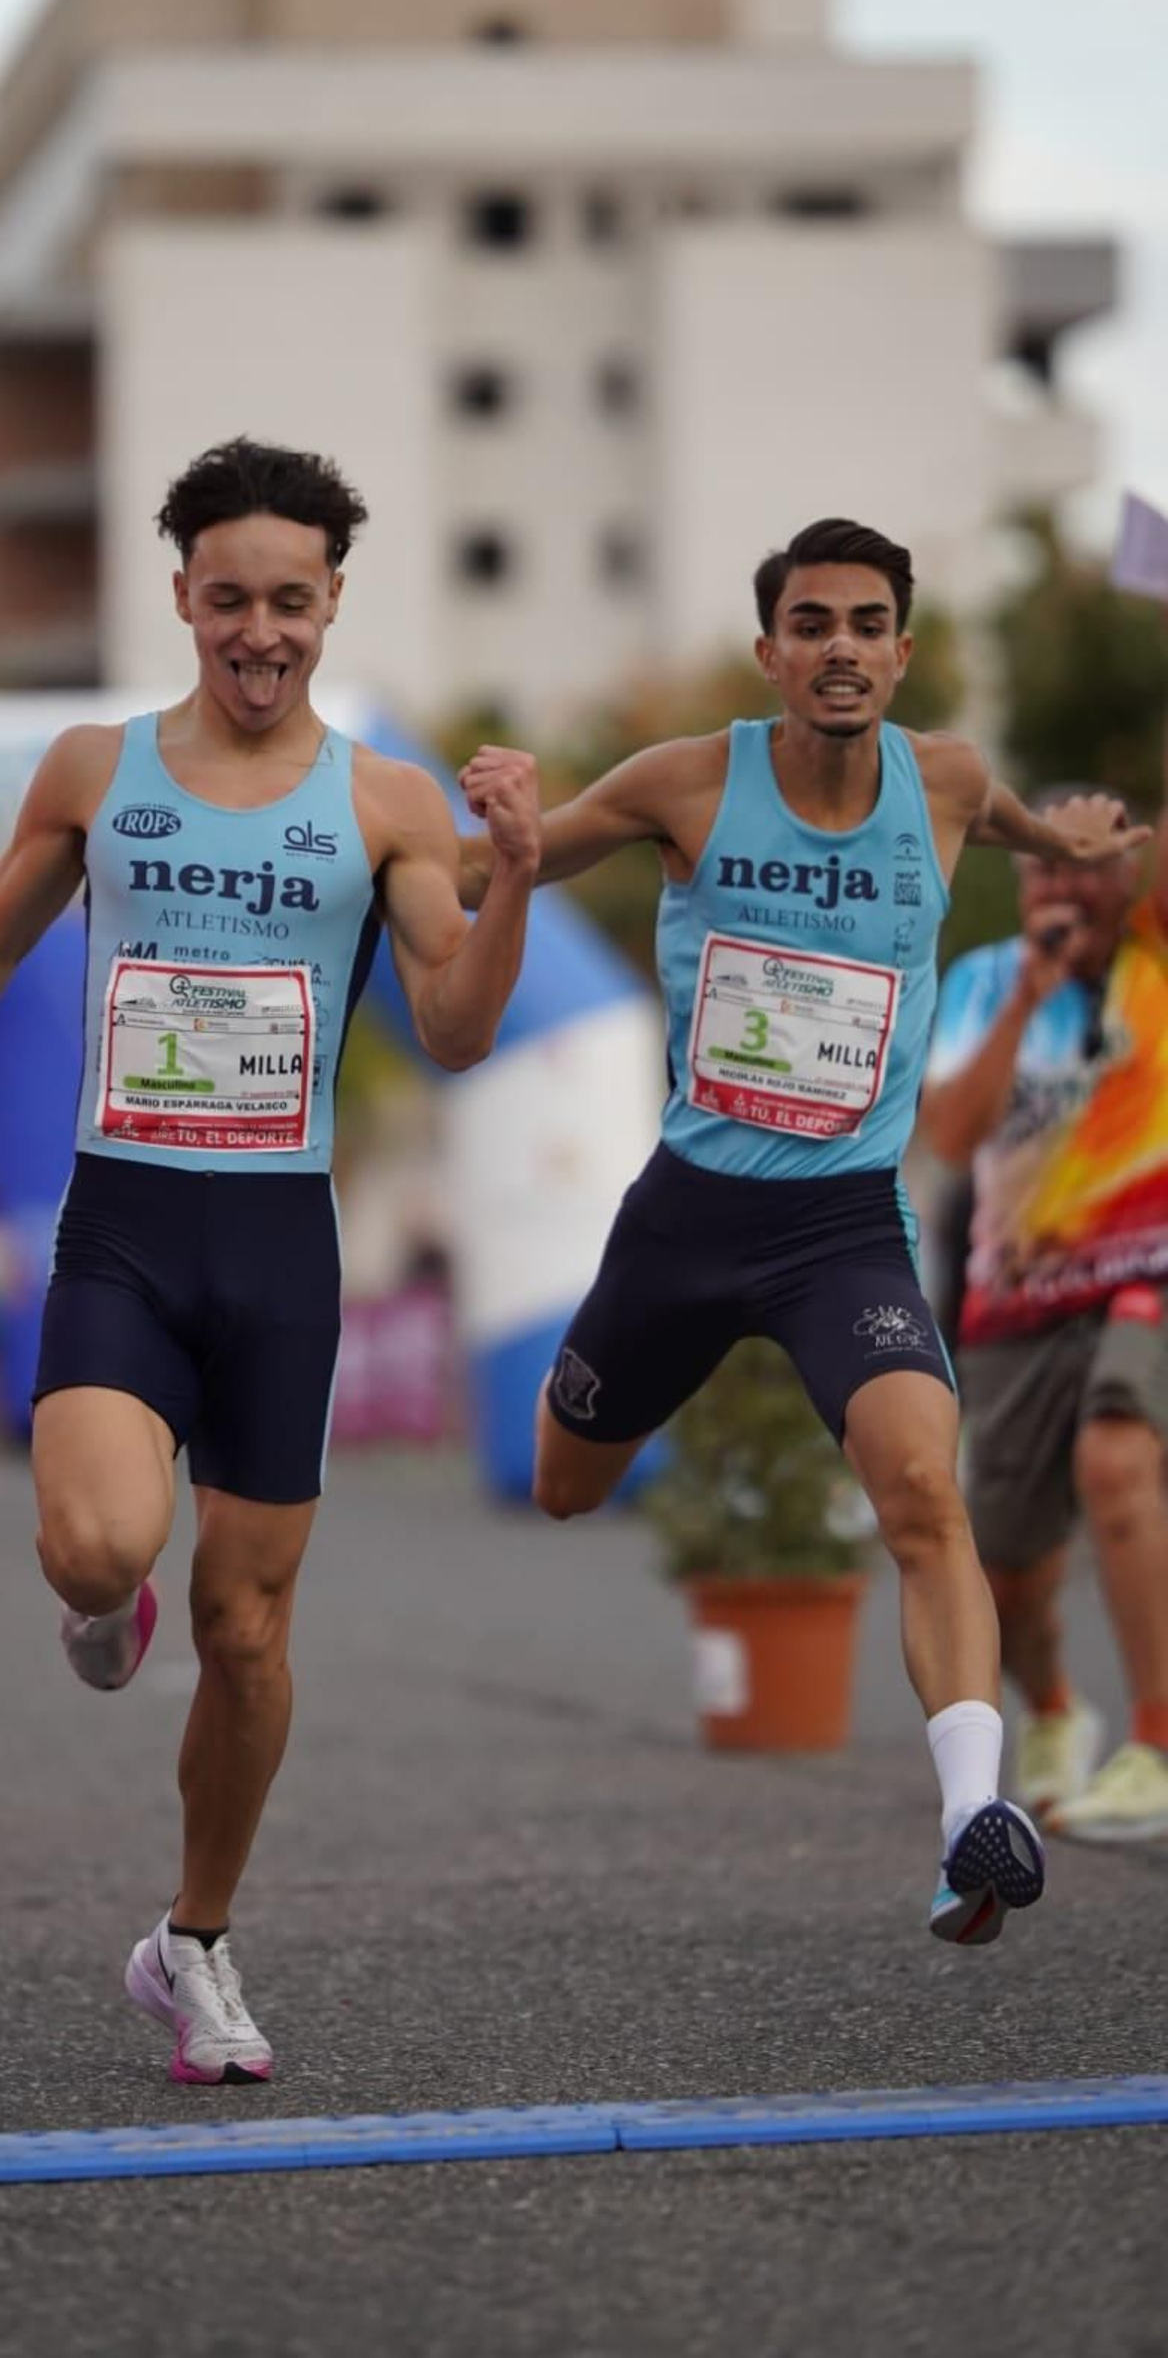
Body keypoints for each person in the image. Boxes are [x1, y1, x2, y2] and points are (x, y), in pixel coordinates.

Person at [0, 437, 541, 2081]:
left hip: (281, 1246)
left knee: (252, 1633)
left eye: (290, 601)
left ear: (332, 602)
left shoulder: (388, 805)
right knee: (93, 1548)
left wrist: (523, 878)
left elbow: (462, 1031)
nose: (258, 631)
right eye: (227, 600)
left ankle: (191, 1942)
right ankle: (95, 1601)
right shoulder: (92, 771)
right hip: (127, 1225)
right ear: (182, 597)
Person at [459, 516, 1148, 1946]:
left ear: (901, 651)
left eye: (869, 623)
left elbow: (1028, 823)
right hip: (690, 1218)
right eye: (814, 623)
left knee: (922, 1491)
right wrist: (496, 840)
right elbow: (490, 873)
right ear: (771, 650)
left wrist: (1075, 836)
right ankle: (593, 1400)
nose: (843, 646)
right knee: (564, 1481)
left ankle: (974, 1811)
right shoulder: (687, 780)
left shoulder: (944, 780)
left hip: (845, 1223)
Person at [919, 784, 1168, 1841]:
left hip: (1143, 1269)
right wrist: (1027, 992)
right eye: (1046, 863)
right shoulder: (982, 983)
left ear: (1129, 871)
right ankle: (1056, 1710)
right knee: (1010, 1569)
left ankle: (1155, 1745)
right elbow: (948, 1136)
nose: (1065, 881)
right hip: (1016, 1297)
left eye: (1088, 859)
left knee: (1115, 1461)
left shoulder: (1156, 963)